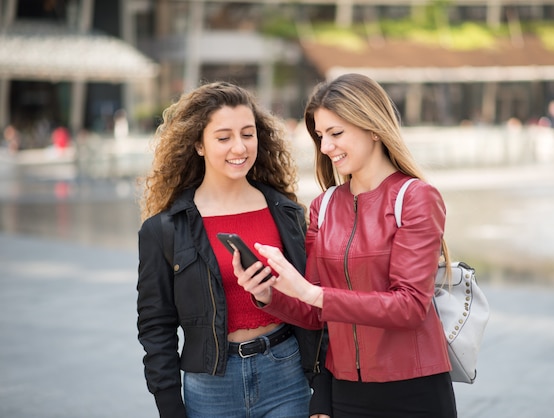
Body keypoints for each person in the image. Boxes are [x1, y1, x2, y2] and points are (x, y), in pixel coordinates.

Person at [234, 73, 457, 417]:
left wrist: (314, 294)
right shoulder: (323, 207)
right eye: (321, 136)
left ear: (373, 127)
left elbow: (410, 306)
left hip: (413, 390)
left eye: (336, 134)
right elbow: (314, 314)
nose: (325, 147)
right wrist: (268, 293)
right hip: (346, 392)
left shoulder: (415, 198)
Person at [136, 81, 330, 418]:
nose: (239, 147)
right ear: (198, 144)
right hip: (210, 387)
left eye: (247, 134)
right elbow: (156, 325)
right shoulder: (164, 229)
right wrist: (169, 405)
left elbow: (316, 302)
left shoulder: (287, 213)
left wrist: (324, 392)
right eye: (223, 137)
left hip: (286, 373)